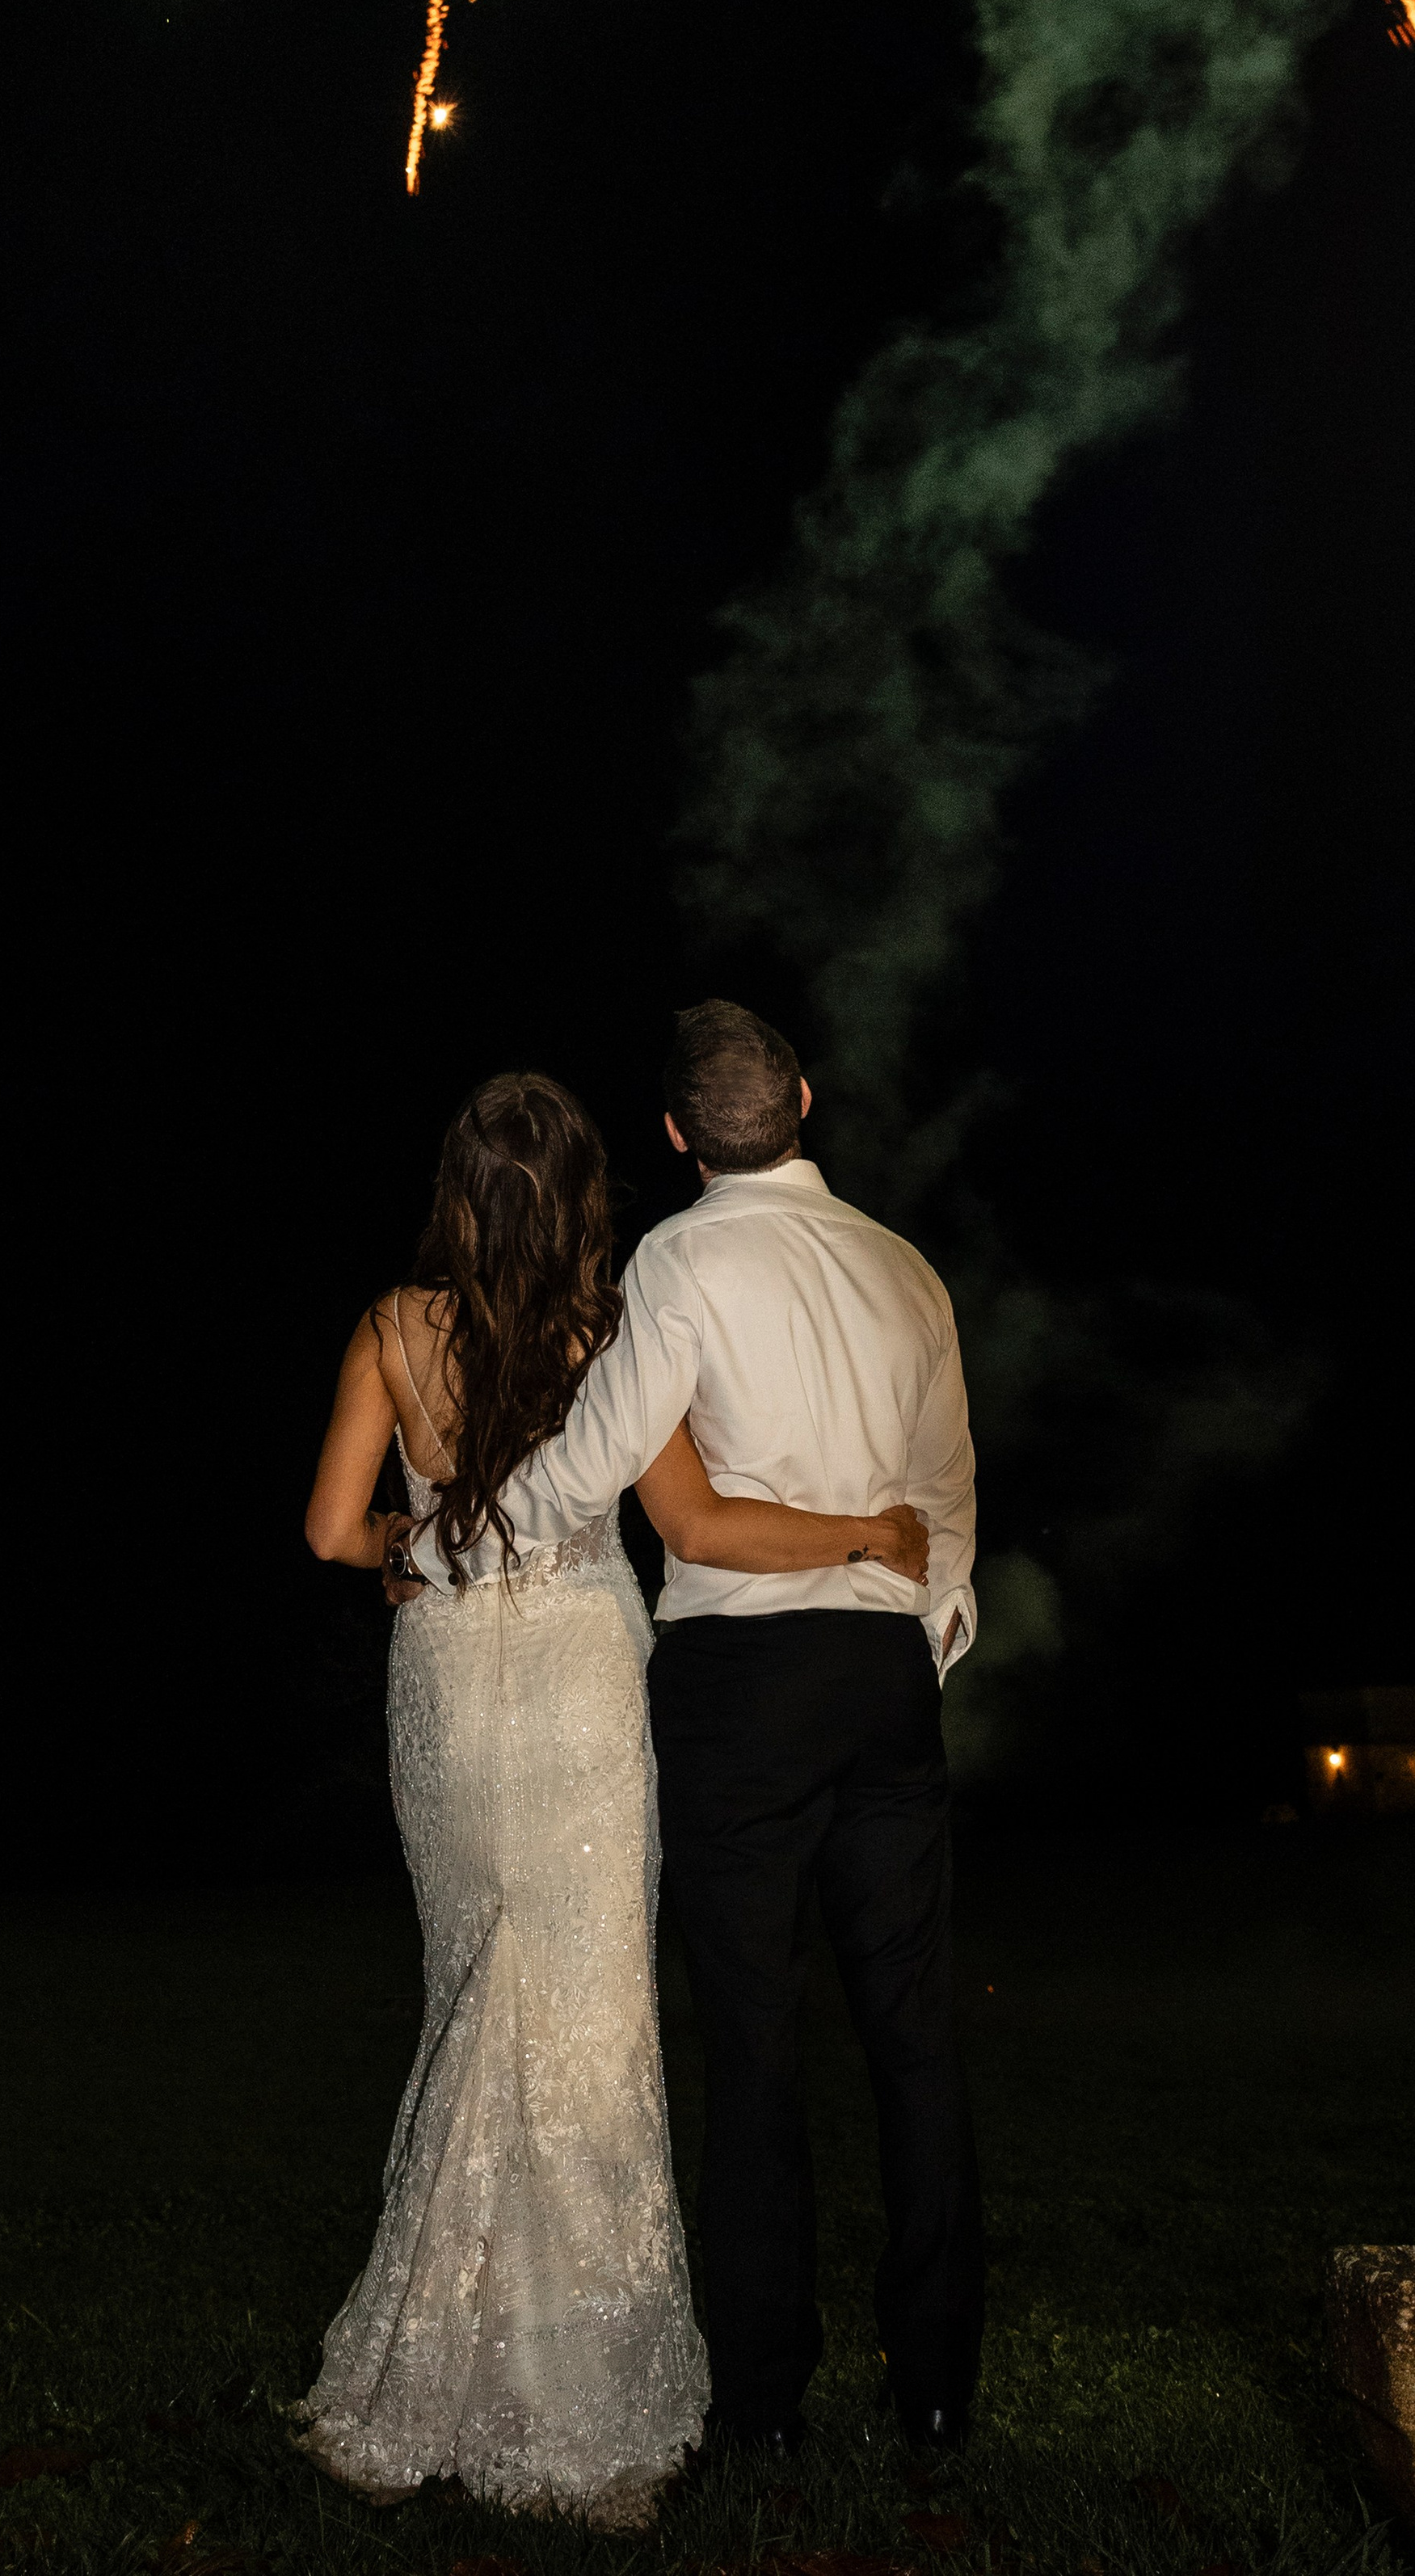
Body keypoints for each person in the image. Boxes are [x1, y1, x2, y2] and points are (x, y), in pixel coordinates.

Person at [297, 1070, 933, 2527]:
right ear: (585, 1198)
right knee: (584, 2014)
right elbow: (696, 1524)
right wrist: (870, 1534)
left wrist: (429, 1541)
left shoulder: (393, 1330)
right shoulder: (606, 1334)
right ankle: (585, 2406)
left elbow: (335, 1531)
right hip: (584, 1678)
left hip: (450, 1685)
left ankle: (435, 2382)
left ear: (457, 1192)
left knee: (476, 1988)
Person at [494, 1001, 985, 2462]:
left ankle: (762, 2409)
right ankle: (940, 2392)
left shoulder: (681, 1258)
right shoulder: (905, 1267)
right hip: (885, 1676)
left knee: (756, 2046)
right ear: (806, 1101)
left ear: (672, 1136)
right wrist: (926, 1635)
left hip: (744, 1687)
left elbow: (594, 1459)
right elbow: (950, 1494)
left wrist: (473, 1537)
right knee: (916, 2039)